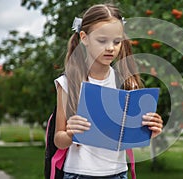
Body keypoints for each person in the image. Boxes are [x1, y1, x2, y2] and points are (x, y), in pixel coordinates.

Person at [54, 3, 163, 179]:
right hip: (79, 174)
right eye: (102, 40)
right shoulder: (68, 83)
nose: (111, 47)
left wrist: (151, 130)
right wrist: (69, 133)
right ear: (84, 38)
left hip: (118, 173)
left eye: (117, 41)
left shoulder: (126, 83)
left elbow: (130, 136)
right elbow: (58, 141)